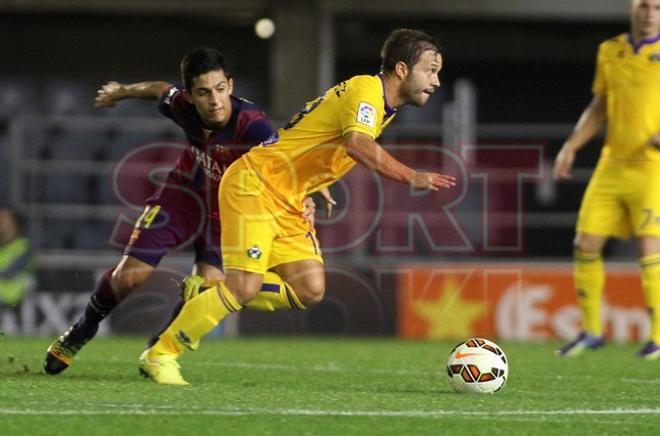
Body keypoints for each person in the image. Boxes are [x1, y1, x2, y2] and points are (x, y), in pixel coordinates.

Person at [139, 28, 456, 385]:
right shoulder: (367, 91)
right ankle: (162, 353)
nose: (437, 80)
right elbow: (356, 144)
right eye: (431, 70)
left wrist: (315, 184)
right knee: (243, 287)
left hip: (287, 195)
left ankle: (209, 291)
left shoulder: (383, 106)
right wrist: (411, 176)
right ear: (401, 68)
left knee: (309, 289)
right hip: (256, 182)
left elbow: (315, 138)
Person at [44, 47, 328, 375]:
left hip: (229, 212)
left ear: (231, 86)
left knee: (206, 290)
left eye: (221, 89)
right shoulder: (181, 107)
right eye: (204, 92)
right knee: (130, 277)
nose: (215, 100)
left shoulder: (252, 125)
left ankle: (157, 349)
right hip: (180, 196)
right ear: (191, 96)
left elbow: (287, 159)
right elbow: (159, 89)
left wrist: (307, 193)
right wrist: (122, 91)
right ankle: (80, 332)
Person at [554, 0, 660, 360]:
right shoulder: (609, 50)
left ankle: (658, 338)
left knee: (649, 248)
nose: (650, 13)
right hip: (611, 164)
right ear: (633, 7)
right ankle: (591, 332)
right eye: (645, 6)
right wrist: (571, 146)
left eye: (657, 8)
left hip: (652, 167)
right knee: (585, 241)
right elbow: (600, 106)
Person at [0, 208, 36, 313]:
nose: (0, 223)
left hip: (15, 300)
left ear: (14, 224)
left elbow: (10, 271)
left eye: (4, 220)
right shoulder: (2, 247)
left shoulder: (24, 247)